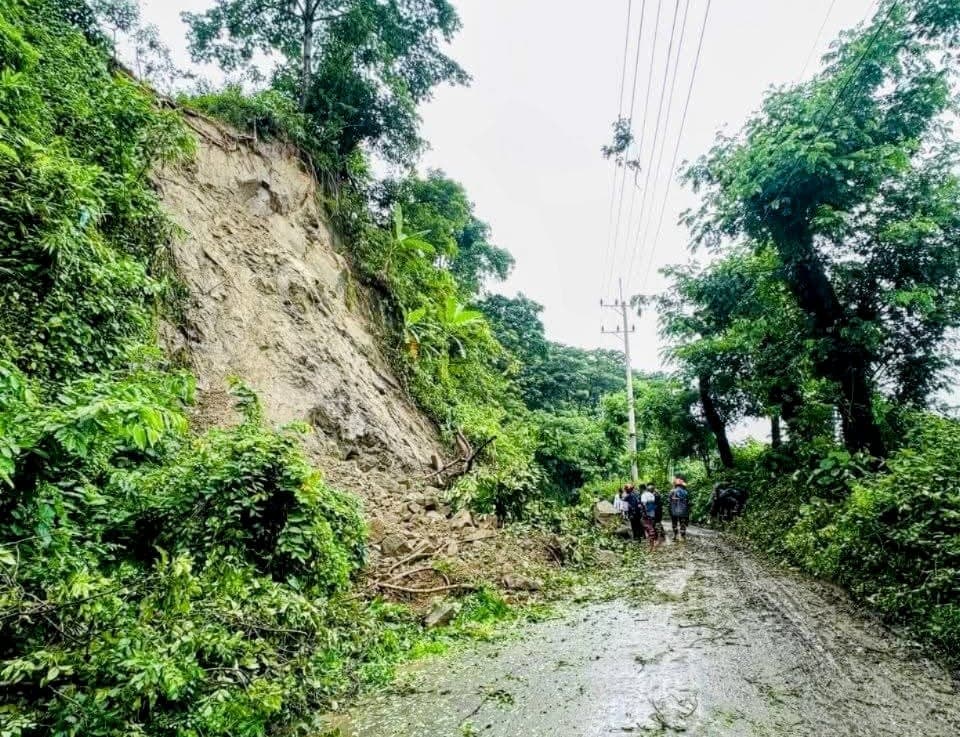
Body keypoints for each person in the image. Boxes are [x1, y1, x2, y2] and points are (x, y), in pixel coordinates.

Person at [669, 475, 691, 541]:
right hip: (683, 511)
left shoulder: (671, 491)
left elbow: (669, 501)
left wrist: (670, 510)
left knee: (674, 523)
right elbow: (688, 502)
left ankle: (675, 536)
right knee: (683, 523)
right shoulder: (685, 492)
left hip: (674, 510)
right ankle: (683, 536)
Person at [639, 484, 659, 549]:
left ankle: (651, 544)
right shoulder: (652, 495)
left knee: (649, 528)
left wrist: (644, 512)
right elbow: (653, 504)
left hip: (646, 513)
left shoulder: (644, 495)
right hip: (652, 513)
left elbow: (644, 504)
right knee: (652, 526)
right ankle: (655, 541)